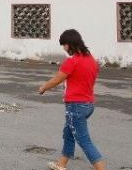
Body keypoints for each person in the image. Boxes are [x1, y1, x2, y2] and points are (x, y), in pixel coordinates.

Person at [38, 29, 106, 170]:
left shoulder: (72, 62)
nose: (64, 48)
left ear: (70, 44)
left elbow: (57, 79)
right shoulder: (91, 60)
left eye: (64, 45)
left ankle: (101, 168)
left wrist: (43, 87)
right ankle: (61, 164)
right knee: (68, 133)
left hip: (76, 106)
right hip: (88, 104)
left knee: (83, 140)